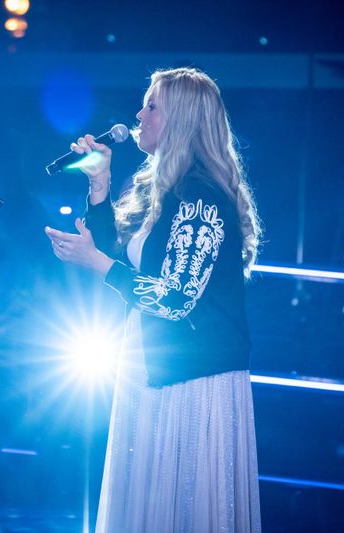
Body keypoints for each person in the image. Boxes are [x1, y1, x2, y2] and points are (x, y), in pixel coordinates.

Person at [45, 67, 263, 531]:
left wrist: (96, 264)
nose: (138, 115)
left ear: (181, 119)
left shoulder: (201, 196)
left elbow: (175, 298)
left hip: (191, 378)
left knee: (182, 507)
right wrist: (99, 184)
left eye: (151, 106)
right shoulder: (162, 188)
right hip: (147, 365)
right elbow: (121, 259)